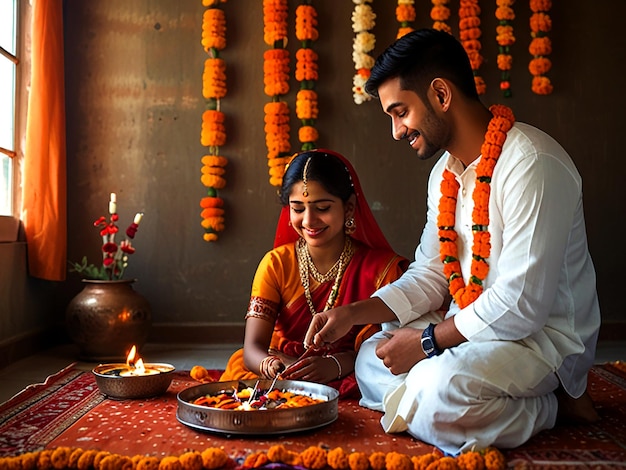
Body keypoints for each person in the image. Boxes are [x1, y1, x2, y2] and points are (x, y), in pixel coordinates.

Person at [304, 29, 601, 455]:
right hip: (468, 331)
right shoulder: (445, 174)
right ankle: (440, 406)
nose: (395, 130)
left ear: (440, 94)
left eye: (400, 111)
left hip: (540, 340)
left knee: (437, 385)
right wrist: (353, 312)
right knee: (373, 356)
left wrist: (426, 344)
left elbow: (522, 305)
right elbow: (430, 273)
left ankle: (554, 403)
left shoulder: (531, 163)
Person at [220, 149, 408, 398]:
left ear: (349, 208)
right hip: (286, 369)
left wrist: (336, 365)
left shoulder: (383, 270)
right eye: (298, 209)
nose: (309, 220)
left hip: (355, 369)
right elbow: (252, 349)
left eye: (322, 207)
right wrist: (278, 367)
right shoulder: (276, 264)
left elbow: (392, 346)